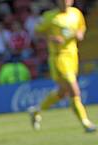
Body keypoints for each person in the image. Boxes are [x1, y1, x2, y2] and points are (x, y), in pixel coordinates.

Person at [28, 0, 95, 133]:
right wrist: (50, 38)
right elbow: (36, 32)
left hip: (73, 56)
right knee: (74, 89)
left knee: (63, 92)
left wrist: (80, 33)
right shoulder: (50, 17)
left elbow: (81, 27)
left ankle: (36, 110)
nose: (64, 2)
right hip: (58, 58)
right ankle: (85, 123)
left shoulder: (76, 14)